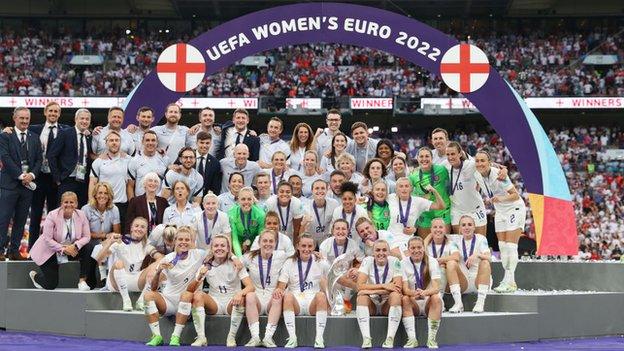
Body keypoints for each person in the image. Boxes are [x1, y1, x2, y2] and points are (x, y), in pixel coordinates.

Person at [169, 234, 253, 347]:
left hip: (231, 302)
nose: (219, 248)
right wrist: (199, 277)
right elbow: (190, 290)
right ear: (212, 249)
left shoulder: (236, 264)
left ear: (228, 248)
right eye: (216, 246)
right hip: (215, 303)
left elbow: (250, 287)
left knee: (242, 298)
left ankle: (231, 338)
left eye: (223, 246)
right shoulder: (206, 265)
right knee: (198, 295)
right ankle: (201, 337)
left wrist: (240, 293)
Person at [143, 227, 207, 346]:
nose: (184, 242)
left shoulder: (199, 254)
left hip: (187, 301)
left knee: (186, 295)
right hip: (168, 301)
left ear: (192, 242)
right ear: (175, 241)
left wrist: (234, 258)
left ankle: (175, 337)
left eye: (187, 239)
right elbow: (153, 288)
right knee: (148, 295)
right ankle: (157, 336)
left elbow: (215, 251)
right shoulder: (168, 258)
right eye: (180, 239)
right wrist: (158, 272)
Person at [476, 149, 526, 293]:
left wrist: (500, 199)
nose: (480, 164)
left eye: (482, 161)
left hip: (513, 208)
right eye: (477, 161)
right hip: (500, 211)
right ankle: (506, 280)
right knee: (503, 246)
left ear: (489, 162)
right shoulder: (476, 174)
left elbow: (515, 195)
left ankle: (511, 281)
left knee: (511, 246)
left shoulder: (499, 175)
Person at [0, 107, 42, 261]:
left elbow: (39, 160)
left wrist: (31, 175)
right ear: (14, 118)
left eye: (27, 118)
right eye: (21, 118)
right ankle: (0, 250)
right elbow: (5, 158)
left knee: (21, 220)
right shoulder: (5, 136)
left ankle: (14, 250)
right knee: (3, 219)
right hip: (9, 184)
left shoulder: (34, 137)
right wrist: (20, 175)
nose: (24, 121)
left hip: (27, 186)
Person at [276, 233, 330, 348]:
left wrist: (330, 302)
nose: (306, 249)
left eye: (310, 246)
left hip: (312, 302)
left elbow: (328, 283)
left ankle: (319, 338)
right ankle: (292, 338)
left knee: (321, 295)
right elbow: (281, 286)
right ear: (297, 246)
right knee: (288, 295)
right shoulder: (289, 262)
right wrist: (279, 291)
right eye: (303, 246)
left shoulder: (321, 261)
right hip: (296, 301)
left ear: (314, 246)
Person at [28, 191, 91, 290]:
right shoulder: (52, 215)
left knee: (88, 248)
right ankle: (35, 276)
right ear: (61, 204)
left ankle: (82, 281)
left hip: (72, 249)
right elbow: (47, 238)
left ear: (76, 204)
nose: (69, 205)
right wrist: (63, 249)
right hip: (51, 250)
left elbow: (87, 236)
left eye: (72, 202)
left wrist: (75, 246)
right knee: (51, 285)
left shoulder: (81, 215)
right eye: (66, 202)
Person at [28, 102, 71, 248]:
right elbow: (17, 130)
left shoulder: (66, 130)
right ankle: (32, 249)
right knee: (35, 215)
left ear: (59, 114)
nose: (53, 114)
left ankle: (53, 249)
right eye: (51, 111)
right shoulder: (33, 129)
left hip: (56, 179)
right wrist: (7, 129)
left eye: (56, 111)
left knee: (55, 217)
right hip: (38, 177)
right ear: (45, 112)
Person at [242, 230, 289, 347]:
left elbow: (299, 255)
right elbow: (234, 259)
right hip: (256, 298)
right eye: (265, 241)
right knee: (250, 295)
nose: (267, 244)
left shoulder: (281, 255)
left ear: (275, 243)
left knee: (278, 295)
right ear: (259, 242)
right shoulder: (249, 257)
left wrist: (314, 253)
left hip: (271, 299)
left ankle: (268, 337)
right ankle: (255, 337)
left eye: (271, 241)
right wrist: (232, 258)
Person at [97, 217, 155, 311]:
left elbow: (160, 258)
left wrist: (157, 266)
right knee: (119, 263)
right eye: (136, 226)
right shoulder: (121, 241)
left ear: (146, 231)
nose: (139, 229)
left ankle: (141, 300)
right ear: (131, 228)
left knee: (156, 266)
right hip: (116, 281)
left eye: (142, 227)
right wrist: (110, 242)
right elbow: (100, 258)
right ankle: (126, 300)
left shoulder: (147, 245)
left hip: (134, 280)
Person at [356, 240, 403, 348]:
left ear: (389, 252)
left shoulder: (395, 261)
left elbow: (398, 288)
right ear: (373, 253)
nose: (381, 253)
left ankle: (390, 338)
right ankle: (366, 339)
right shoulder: (367, 261)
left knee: (395, 296)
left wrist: (368, 290)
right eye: (377, 250)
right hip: (372, 303)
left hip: (387, 303)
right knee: (362, 298)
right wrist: (384, 286)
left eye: (384, 250)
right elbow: (359, 286)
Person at [400, 236, 443, 349]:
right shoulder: (403, 263)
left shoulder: (432, 261)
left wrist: (424, 292)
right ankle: (412, 339)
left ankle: (431, 339)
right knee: (404, 299)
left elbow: (436, 288)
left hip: (428, 301)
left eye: (419, 247)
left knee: (436, 298)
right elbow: (405, 289)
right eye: (413, 248)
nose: (416, 250)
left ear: (424, 248)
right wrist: (413, 293)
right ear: (408, 250)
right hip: (414, 302)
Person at [446, 216, 492, 313]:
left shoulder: (481, 238)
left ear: (474, 227)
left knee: (485, 262)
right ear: (459, 228)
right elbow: (437, 232)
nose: (467, 227)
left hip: (478, 280)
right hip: (463, 281)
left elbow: (489, 257)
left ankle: (480, 303)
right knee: (451, 263)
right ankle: (458, 303)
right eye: (463, 225)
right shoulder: (454, 240)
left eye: (470, 225)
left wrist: (477, 255)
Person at [89, 130, 132, 233]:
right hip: (103, 204)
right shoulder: (98, 162)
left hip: (122, 204)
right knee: (103, 236)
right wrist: (91, 202)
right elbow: (92, 183)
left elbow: (131, 184)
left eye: (117, 140)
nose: (114, 142)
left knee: (120, 239)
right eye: (111, 140)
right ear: (106, 143)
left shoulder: (128, 160)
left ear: (120, 143)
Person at [387, 177, 445, 254]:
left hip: (408, 239)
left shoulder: (418, 201)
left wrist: (434, 191)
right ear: (396, 189)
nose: (404, 189)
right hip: (391, 238)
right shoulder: (390, 198)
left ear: (411, 188)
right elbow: (375, 197)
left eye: (406, 186)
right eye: (401, 186)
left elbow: (441, 206)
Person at [48, 108, 92, 208]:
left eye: (87, 119)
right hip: (66, 180)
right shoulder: (64, 133)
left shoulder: (89, 137)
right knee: (65, 211)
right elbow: (52, 155)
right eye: (82, 118)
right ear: (76, 119)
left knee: (81, 210)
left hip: (83, 181)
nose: (84, 121)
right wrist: (57, 178)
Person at [318, 219, 364, 312]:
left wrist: (355, 268)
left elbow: (362, 261)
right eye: (337, 229)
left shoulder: (353, 244)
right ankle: (332, 301)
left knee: (357, 272)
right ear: (332, 231)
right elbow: (324, 268)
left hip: (346, 278)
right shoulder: (325, 245)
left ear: (348, 231)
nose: (340, 231)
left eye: (343, 229)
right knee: (323, 265)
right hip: (330, 280)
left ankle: (346, 300)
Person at [444, 141, 488, 235]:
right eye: (448, 154)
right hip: (457, 211)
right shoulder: (445, 166)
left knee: (481, 242)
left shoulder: (470, 164)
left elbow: (488, 165)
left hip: (476, 209)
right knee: (461, 243)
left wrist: (503, 169)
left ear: (460, 153)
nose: (450, 157)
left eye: (453, 154)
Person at [409, 147, 451, 238]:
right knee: (425, 246)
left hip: (442, 212)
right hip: (425, 215)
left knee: (445, 244)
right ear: (417, 159)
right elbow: (410, 196)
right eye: (421, 156)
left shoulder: (442, 170)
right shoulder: (413, 175)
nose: (424, 159)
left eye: (427, 156)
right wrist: (420, 197)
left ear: (432, 158)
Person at [424, 218, 460, 304]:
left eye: (441, 227)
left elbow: (456, 256)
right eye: (435, 227)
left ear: (445, 229)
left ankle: (441, 300)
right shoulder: (427, 245)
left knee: (448, 264)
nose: (438, 230)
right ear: (431, 230)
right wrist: (435, 263)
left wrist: (440, 260)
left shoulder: (451, 243)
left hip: (448, 281)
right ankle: (438, 300)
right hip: (430, 279)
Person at [127, 130, 168, 198]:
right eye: (147, 140)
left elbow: (167, 185)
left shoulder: (165, 159)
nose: (150, 143)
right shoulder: (134, 161)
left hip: (158, 202)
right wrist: (132, 204)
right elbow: (130, 186)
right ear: (142, 142)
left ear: (157, 142)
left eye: (153, 140)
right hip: (140, 202)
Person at [228, 187, 266, 256]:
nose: (246, 202)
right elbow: (234, 239)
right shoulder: (231, 214)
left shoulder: (261, 215)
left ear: (253, 200)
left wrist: (253, 255)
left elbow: (260, 237)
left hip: (254, 243)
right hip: (237, 244)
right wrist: (240, 258)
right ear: (238, 200)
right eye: (243, 199)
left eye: (249, 199)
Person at [304, 179, 339, 246]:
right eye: (317, 188)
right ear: (312, 191)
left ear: (327, 190)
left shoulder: (334, 204)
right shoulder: (305, 207)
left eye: (323, 188)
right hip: (310, 240)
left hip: (328, 240)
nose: (320, 191)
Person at [195, 131, 222, 196]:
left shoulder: (215, 163)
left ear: (210, 144)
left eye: (207, 143)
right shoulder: (188, 156)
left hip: (205, 198)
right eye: (201, 143)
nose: (204, 146)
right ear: (196, 143)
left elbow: (215, 187)